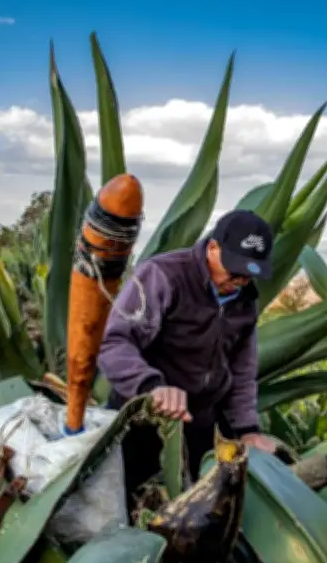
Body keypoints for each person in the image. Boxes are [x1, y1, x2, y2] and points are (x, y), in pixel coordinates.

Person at [97, 209, 277, 505]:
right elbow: (114, 342)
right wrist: (151, 387)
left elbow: (242, 373)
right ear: (213, 248)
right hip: (141, 425)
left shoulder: (245, 302)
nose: (240, 281)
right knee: (125, 506)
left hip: (201, 428)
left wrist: (247, 430)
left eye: (249, 273)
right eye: (234, 269)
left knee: (194, 512)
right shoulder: (163, 275)